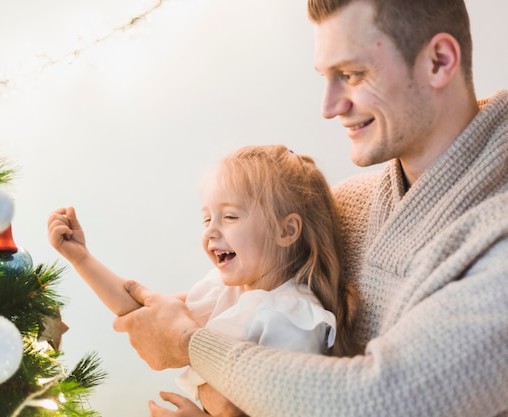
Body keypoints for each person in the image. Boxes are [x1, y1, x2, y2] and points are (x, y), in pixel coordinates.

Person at [112, 0, 508, 416]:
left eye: (352, 75)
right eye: (326, 77)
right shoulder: (352, 201)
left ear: (438, 61)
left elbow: (377, 401)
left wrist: (187, 343)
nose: (329, 106)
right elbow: (246, 297)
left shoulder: (496, 247)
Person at [48, 145, 360, 416]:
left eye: (230, 217)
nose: (211, 232)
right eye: (207, 218)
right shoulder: (227, 290)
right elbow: (143, 311)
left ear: (286, 231)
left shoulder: (291, 318)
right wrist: (82, 258)